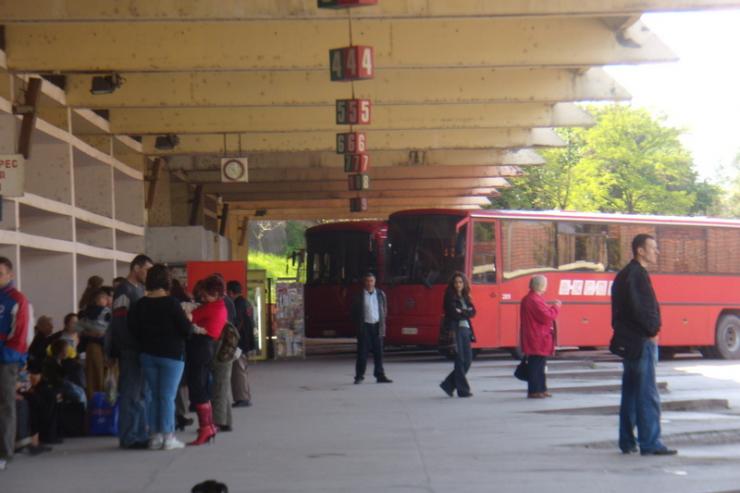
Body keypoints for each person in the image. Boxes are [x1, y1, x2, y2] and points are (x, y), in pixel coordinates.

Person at [612, 234, 677, 456]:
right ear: (640, 250)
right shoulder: (637, 275)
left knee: (630, 393)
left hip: (628, 342)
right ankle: (650, 443)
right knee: (647, 393)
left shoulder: (623, 275)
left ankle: (627, 441)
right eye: (653, 248)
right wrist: (653, 330)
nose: (656, 252)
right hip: (641, 341)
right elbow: (642, 309)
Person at [129, 264, 192, 451]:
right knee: (167, 397)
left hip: (148, 355)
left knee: (152, 396)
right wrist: (188, 319)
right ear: (167, 282)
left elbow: (133, 329)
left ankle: (154, 436)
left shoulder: (140, 304)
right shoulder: (172, 303)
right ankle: (168, 436)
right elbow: (186, 331)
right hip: (171, 355)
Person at [105, 254, 153, 449]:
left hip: (141, 349)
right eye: (147, 269)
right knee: (131, 393)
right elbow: (119, 322)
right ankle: (129, 437)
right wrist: (129, 345)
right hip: (131, 350)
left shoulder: (141, 289)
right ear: (136, 268)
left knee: (141, 394)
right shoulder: (123, 290)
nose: (148, 274)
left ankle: (140, 433)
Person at [187, 276, 227, 445]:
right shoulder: (220, 306)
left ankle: (206, 428)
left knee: (198, 389)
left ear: (216, 294)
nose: (203, 298)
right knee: (201, 386)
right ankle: (208, 426)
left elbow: (190, 317)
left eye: (206, 294)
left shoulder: (211, 308)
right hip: (207, 348)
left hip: (199, 348)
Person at [0, 257, 30, 471]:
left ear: (10, 275)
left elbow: (20, 336)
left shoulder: (17, 300)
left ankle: (4, 452)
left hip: (5, 362)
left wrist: (7, 356)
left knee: (5, 406)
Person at [520, 275, 561, 399]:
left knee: (540, 365)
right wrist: (556, 307)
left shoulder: (531, 298)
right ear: (541, 285)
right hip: (537, 337)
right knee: (536, 365)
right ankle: (535, 390)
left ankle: (541, 389)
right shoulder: (534, 299)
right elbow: (547, 316)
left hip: (536, 336)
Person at [439, 272, 476, 398]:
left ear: (464, 283)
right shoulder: (449, 296)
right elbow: (454, 314)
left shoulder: (465, 296)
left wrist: (463, 312)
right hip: (456, 331)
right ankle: (463, 390)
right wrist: (465, 312)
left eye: (460, 282)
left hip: (466, 330)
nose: (458, 284)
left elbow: (473, 312)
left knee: (468, 360)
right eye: (456, 282)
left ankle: (448, 384)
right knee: (460, 360)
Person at [351, 272, 392, 384]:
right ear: (364, 282)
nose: (369, 283)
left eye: (371, 281)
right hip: (364, 327)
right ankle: (359, 376)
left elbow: (384, 309)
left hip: (377, 326)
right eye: (367, 281)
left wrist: (382, 323)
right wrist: (359, 325)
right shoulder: (358, 295)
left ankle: (380, 375)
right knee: (362, 354)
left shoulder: (380, 294)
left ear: (375, 282)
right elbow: (354, 312)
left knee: (379, 353)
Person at [78, 291, 112, 400]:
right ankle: (102, 400)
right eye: (106, 299)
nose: (107, 301)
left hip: (91, 346)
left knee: (93, 375)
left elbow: (79, 328)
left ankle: (93, 401)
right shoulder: (107, 312)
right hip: (102, 345)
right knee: (101, 374)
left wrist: (87, 333)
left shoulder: (86, 313)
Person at [227, 280, 254, 408]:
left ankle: (242, 398)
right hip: (247, 340)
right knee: (243, 369)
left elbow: (236, 324)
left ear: (231, 292)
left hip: (240, 342)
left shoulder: (237, 305)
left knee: (238, 371)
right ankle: (245, 395)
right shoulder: (246, 303)